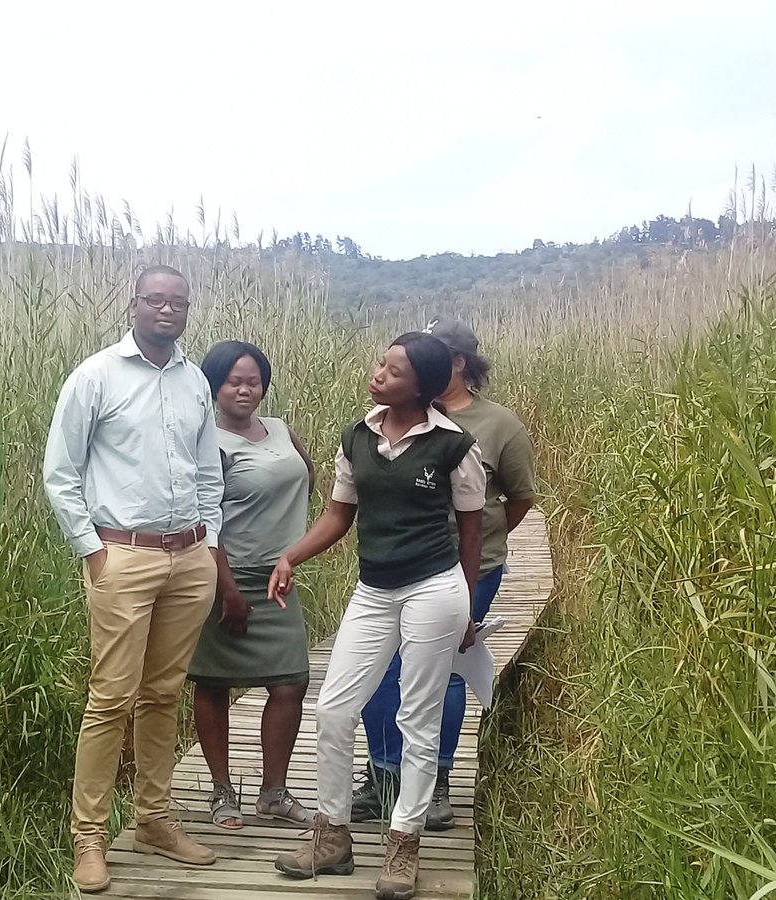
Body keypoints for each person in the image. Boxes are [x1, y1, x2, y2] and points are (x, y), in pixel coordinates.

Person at [270, 332, 486, 900]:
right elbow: (339, 515)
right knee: (334, 710)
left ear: (423, 386)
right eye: (380, 364)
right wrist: (290, 555)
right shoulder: (356, 437)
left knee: (418, 718)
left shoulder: (454, 445)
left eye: (393, 370)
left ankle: (403, 843)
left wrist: (465, 602)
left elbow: (471, 530)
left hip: (434, 590)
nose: (379, 374)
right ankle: (332, 837)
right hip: (374, 590)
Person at [42, 264, 223, 894]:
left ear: (187, 309)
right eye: (156, 299)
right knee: (110, 697)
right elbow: (60, 471)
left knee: (163, 693)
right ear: (134, 303)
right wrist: (91, 551)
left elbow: (208, 472)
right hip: (123, 556)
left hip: (189, 558)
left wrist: (211, 542)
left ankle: (154, 821)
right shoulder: (96, 376)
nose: (167, 310)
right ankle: (88, 838)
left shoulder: (195, 379)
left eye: (178, 301)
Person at [351, 318, 537, 831]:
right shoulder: (398, 416)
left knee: (447, 671)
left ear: (456, 363)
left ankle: (435, 781)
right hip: (398, 566)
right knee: (385, 671)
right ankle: (384, 777)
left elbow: (520, 498)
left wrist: (484, 539)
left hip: (468, 566)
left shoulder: (498, 425)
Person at [186, 341, 316, 830]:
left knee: (291, 683)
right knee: (214, 682)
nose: (244, 389)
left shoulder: (280, 430)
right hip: (226, 575)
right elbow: (204, 517)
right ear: (213, 386)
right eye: (233, 381)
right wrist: (228, 591)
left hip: (277, 577)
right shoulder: (207, 441)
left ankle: (274, 793)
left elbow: (308, 475)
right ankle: (222, 793)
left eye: (254, 380)